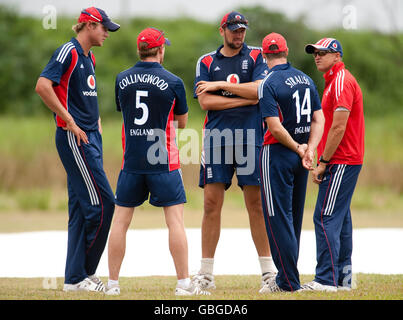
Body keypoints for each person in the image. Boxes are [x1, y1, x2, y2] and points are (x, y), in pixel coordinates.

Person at [106, 27, 209, 296]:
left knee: (120, 222)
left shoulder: (121, 78)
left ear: (139, 50)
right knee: (175, 221)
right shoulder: (173, 81)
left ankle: (113, 285)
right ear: (161, 50)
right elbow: (182, 123)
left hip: (132, 161)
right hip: (163, 159)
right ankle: (184, 285)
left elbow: (126, 113)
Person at [35, 7, 119, 292]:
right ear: (89, 25)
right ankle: (84, 273)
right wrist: (69, 120)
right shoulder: (68, 52)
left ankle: (74, 278)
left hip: (91, 137)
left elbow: (83, 94)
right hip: (74, 138)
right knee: (104, 203)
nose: (107, 33)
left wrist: (95, 122)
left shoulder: (89, 56)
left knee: (81, 208)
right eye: (104, 28)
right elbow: (43, 85)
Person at [193, 11, 276, 292]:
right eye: (233, 29)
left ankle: (268, 273)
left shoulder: (256, 57)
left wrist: (220, 87)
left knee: (255, 204)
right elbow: (205, 102)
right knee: (210, 205)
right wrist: (243, 99)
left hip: (251, 138)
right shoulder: (206, 61)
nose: (238, 34)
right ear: (222, 31)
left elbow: (260, 91)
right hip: (216, 139)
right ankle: (205, 275)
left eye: (242, 30)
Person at [257, 33, 325, 293]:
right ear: (286, 52)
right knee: (293, 218)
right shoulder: (306, 79)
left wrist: (297, 148)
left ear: (264, 56)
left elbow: (274, 127)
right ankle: (289, 276)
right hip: (302, 155)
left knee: (277, 218)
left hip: (278, 154)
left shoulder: (267, 82)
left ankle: (286, 282)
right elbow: (318, 119)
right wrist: (310, 148)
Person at [302, 38, 365, 292]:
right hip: (345, 159)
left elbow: (339, 126)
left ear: (337, 56)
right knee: (341, 220)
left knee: (325, 217)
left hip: (341, 160)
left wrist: (323, 162)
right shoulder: (332, 81)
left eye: (323, 53)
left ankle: (326, 280)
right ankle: (344, 280)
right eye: (315, 53)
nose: (317, 56)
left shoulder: (340, 81)